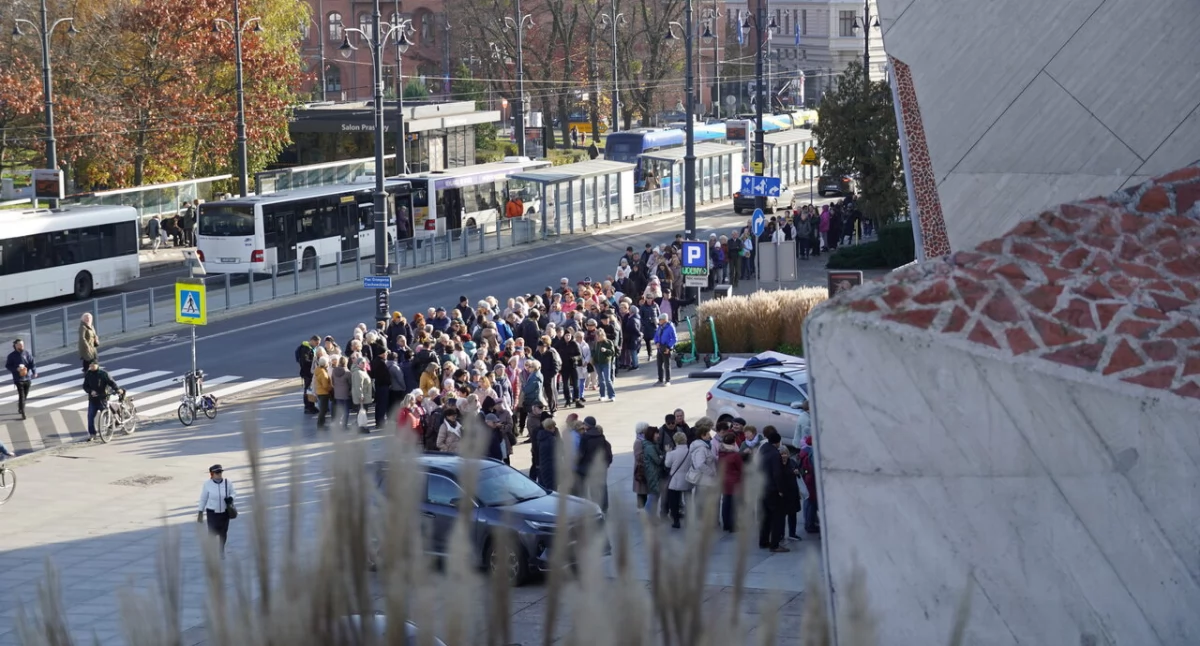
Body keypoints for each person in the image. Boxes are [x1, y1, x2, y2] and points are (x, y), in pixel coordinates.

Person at [757, 428, 788, 553]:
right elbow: (777, 473)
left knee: (765, 517)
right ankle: (775, 544)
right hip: (773, 489)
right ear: (778, 442)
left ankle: (763, 541)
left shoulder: (763, 449)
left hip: (762, 487)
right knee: (777, 517)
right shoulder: (775, 454)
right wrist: (781, 489)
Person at [196, 464, 235, 558]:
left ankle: (221, 550)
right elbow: (203, 498)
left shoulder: (227, 482)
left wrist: (231, 498)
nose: (219, 474)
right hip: (212, 512)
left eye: (220, 472)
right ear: (212, 474)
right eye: (217, 473)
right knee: (212, 533)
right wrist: (200, 511)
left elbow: (233, 492)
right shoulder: (207, 484)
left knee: (223, 532)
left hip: (225, 512)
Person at [577, 422, 613, 511]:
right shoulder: (605, 442)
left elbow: (582, 454)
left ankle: (596, 505)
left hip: (591, 466)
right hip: (602, 467)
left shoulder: (586, 438)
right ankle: (604, 506)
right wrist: (606, 464)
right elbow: (609, 456)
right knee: (603, 486)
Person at [81, 360, 119, 441]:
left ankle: (109, 430)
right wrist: (90, 391)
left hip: (103, 398)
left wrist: (116, 389)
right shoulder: (88, 374)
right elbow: (85, 386)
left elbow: (111, 382)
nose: (91, 367)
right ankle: (92, 434)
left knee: (107, 415)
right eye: (90, 365)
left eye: (93, 365)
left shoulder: (103, 374)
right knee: (90, 417)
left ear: (97, 365)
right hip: (93, 399)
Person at [663, 432, 692, 528]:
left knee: (674, 501)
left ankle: (676, 521)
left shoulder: (673, 453)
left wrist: (668, 452)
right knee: (688, 500)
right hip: (687, 478)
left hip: (675, 480)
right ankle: (690, 520)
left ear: (675, 441)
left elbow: (667, 464)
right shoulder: (690, 452)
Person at [716, 432, 743, 532]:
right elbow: (741, 468)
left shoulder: (721, 453)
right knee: (733, 505)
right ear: (733, 442)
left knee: (725, 503)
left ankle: (726, 524)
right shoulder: (735, 455)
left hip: (724, 480)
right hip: (734, 482)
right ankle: (732, 525)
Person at [6, 338, 35, 420]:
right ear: (15, 346)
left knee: (25, 395)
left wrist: (34, 372)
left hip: (27, 378)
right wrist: (16, 369)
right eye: (19, 345)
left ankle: (20, 406)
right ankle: (23, 412)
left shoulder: (27, 353)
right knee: (22, 396)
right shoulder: (11, 356)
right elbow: (8, 366)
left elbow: (32, 363)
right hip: (18, 379)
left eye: (22, 344)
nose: (21, 346)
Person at [640, 425, 664, 517]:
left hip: (655, 473)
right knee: (653, 496)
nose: (658, 435)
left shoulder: (653, 445)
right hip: (653, 474)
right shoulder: (650, 447)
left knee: (655, 495)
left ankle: (651, 516)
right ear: (651, 435)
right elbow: (658, 460)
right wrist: (664, 456)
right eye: (656, 433)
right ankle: (647, 516)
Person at [536, 418, 561, 491]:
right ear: (551, 427)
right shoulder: (552, 439)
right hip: (551, 467)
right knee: (552, 488)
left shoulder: (541, 437)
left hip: (543, 465)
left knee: (545, 487)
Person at [296, 335, 319, 414]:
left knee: (311, 390)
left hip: (310, 372)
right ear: (312, 340)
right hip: (307, 373)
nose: (317, 345)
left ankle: (311, 405)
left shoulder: (311, 348)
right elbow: (305, 361)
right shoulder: (305, 349)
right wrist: (314, 362)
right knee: (308, 390)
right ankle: (308, 407)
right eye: (316, 343)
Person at [652, 314, 676, 386]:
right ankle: (660, 379)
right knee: (659, 364)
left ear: (664, 320)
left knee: (667, 365)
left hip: (666, 348)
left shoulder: (670, 327)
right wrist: (656, 342)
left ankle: (668, 380)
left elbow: (674, 339)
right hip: (660, 348)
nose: (659, 321)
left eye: (660, 320)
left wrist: (668, 347)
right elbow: (656, 336)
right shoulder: (660, 327)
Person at [314, 356, 334, 428]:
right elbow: (325, 385)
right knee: (323, 410)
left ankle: (321, 424)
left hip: (319, 391)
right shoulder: (323, 373)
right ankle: (320, 425)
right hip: (324, 393)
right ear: (325, 364)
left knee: (323, 409)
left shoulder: (318, 370)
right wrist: (331, 388)